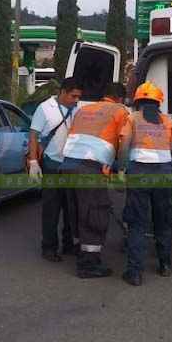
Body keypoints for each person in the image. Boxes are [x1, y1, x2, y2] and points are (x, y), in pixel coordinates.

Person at [61, 83, 129, 278]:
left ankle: (80, 251)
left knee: (78, 211)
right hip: (90, 168)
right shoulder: (120, 111)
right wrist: (121, 169)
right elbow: (124, 144)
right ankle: (88, 265)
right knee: (95, 212)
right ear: (120, 98)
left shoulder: (84, 109)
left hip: (67, 165)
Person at [117, 82, 172, 286]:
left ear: (138, 100)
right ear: (158, 101)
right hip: (164, 175)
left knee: (138, 223)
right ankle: (165, 265)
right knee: (163, 221)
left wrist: (121, 170)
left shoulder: (132, 118)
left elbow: (124, 147)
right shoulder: (167, 121)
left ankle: (135, 273)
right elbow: (170, 146)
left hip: (139, 174)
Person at [28, 78, 83, 262]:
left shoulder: (78, 110)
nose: (76, 100)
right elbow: (34, 135)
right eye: (73, 96)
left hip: (71, 165)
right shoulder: (45, 108)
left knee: (71, 208)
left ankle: (69, 244)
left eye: (78, 97)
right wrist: (33, 161)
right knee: (51, 208)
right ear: (63, 92)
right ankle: (49, 247)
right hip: (52, 164)